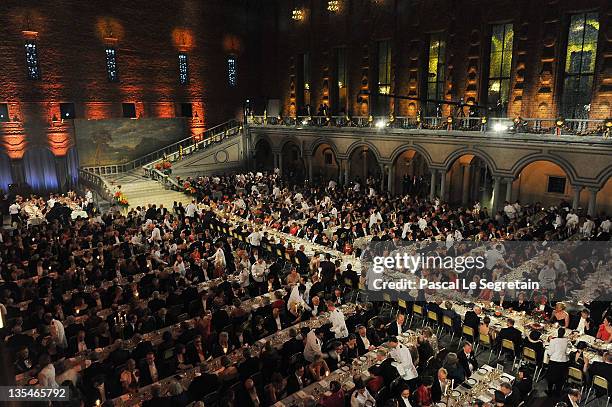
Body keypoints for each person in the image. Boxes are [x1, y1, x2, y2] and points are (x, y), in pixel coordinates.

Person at [546, 328, 569, 396]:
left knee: (551, 378)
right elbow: (566, 351)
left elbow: (550, 353)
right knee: (560, 378)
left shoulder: (553, 341)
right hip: (562, 361)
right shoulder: (566, 341)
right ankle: (557, 392)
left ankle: (550, 392)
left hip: (554, 361)